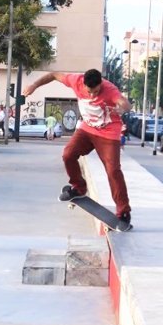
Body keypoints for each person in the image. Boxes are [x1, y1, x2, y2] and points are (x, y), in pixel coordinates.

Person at [22, 69, 133, 231]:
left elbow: (125, 103)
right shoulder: (75, 80)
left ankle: (123, 212)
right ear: (84, 85)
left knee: (113, 170)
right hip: (87, 130)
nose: (93, 95)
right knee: (68, 155)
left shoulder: (109, 89)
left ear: (101, 84)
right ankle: (78, 188)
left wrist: (122, 109)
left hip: (108, 134)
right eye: (90, 92)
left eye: (96, 91)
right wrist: (34, 85)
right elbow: (53, 74)